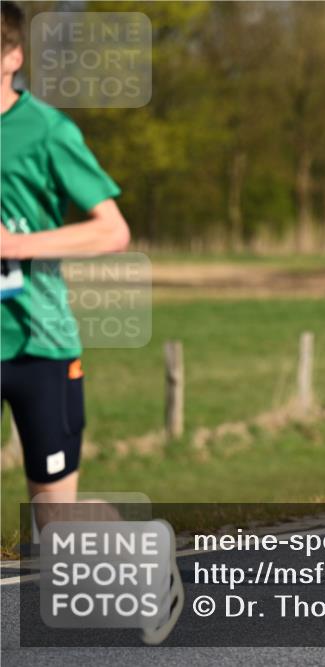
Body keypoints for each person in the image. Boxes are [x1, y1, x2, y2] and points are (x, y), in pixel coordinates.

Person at [0, 0, 130, 521]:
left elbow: (113, 230)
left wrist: (13, 246)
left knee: (55, 522)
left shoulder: (48, 131)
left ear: (13, 56)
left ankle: (136, 555)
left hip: (40, 343)